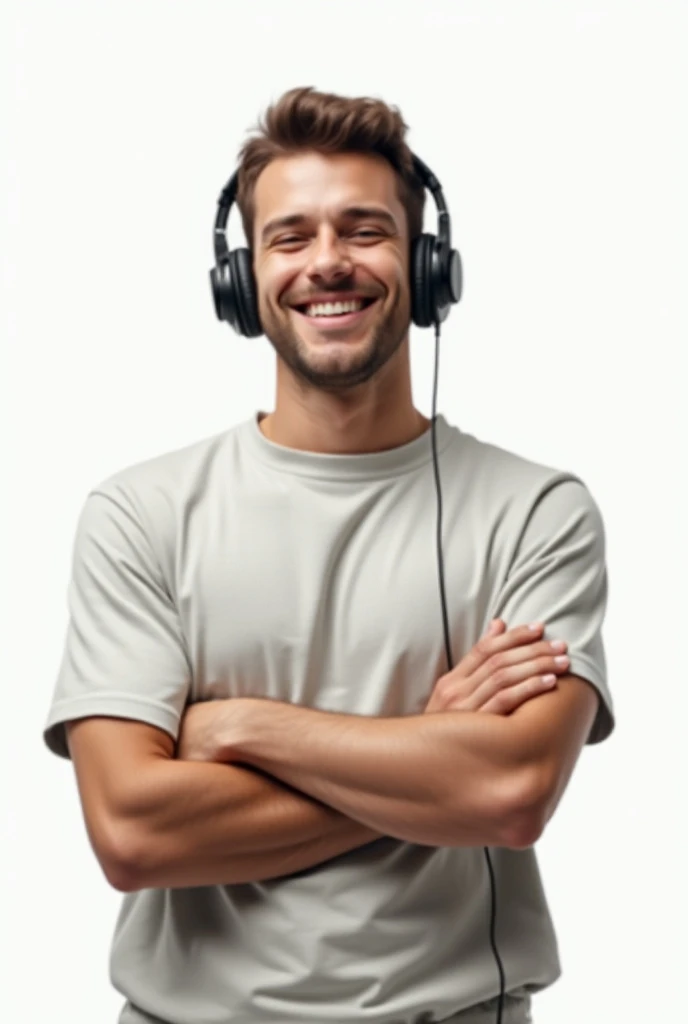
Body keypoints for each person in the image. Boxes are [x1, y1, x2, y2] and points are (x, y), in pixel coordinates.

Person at [43, 86, 614, 1024]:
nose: (328, 263)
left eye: (364, 230)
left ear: (429, 267)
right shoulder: (139, 515)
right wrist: (431, 748)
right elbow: (133, 834)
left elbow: (509, 793)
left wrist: (240, 730)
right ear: (243, 277)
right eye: (291, 236)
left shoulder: (536, 511)